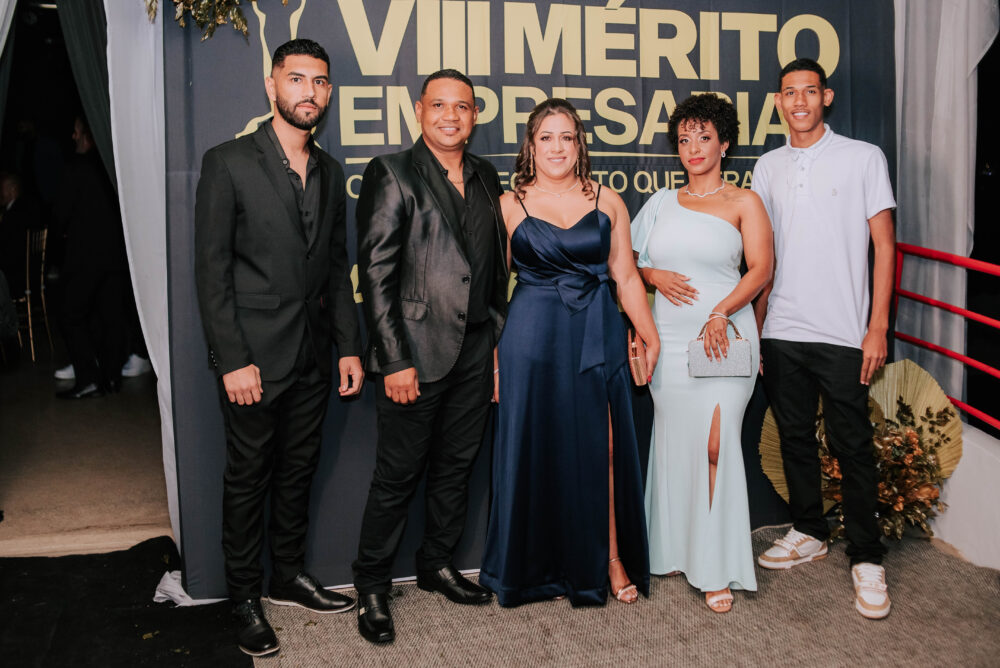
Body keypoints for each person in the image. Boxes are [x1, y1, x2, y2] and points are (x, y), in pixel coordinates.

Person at [194, 39, 364, 656]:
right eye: (296, 79)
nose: (308, 92)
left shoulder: (332, 171)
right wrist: (233, 359)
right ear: (272, 86)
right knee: (248, 478)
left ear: (328, 92)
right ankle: (244, 595)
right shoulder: (228, 162)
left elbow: (336, 267)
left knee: (298, 471)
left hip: (314, 356)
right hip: (254, 359)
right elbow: (212, 271)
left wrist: (348, 346)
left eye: (319, 82)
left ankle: (287, 575)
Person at [479, 98, 659, 608]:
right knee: (534, 448)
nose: (557, 147)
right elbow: (493, 290)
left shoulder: (608, 199)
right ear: (530, 146)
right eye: (546, 137)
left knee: (604, 447)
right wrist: (494, 358)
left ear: (579, 145)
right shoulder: (508, 204)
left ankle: (611, 558)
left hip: (596, 329)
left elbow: (626, 277)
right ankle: (538, 569)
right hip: (530, 336)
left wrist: (649, 334)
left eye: (566, 137)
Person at [353, 69, 509, 644]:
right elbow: (376, 274)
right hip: (414, 354)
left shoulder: (486, 175)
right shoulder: (392, 172)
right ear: (419, 111)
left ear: (475, 115)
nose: (450, 116)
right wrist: (394, 360)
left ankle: (436, 564)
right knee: (397, 476)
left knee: (456, 467)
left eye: (462, 107)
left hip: (475, 348)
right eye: (439, 105)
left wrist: (496, 336)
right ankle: (371, 585)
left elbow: (493, 263)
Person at [752, 58, 896, 620]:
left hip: (843, 331)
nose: (799, 101)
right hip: (782, 328)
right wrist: (758, 326)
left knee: (851, 444)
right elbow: (763, 255)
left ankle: (867, 556)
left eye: (809, 91)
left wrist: (877, 326)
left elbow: (884, 245)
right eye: (790, 93)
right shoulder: (767, 166)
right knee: (794, 438)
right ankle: (810, 530)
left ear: (826, 97)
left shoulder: (863, 157)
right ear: (779, 102)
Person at [631, 94, 773, 613]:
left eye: (704, 137)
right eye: (685, 139)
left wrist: (720, 310)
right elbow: (626, 264)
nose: (693, 148)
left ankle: (715, 565)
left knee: (716, 444)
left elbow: (761, 270)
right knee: (674, 443)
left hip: (725, 336)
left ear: (724, 143)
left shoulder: (744, 202)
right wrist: (653, 274)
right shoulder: (660, 203)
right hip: (669, 340)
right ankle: (673, 549)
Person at [51, 116, 129, 398]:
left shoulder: (76, 169)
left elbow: (60, 214)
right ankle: (112, 377)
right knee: (111, 316)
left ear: (89, 136)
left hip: (85, 257)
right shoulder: (112, 168)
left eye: (76, 132)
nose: (73, 137)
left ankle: (88, 378)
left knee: (70, 314)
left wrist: (61, 235)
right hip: (116, 256)